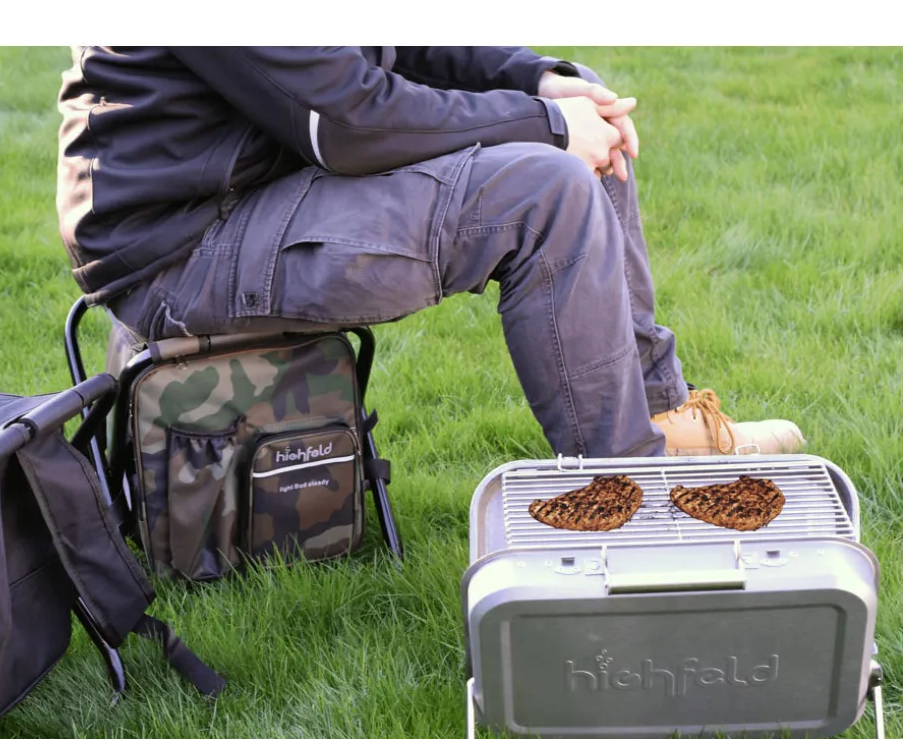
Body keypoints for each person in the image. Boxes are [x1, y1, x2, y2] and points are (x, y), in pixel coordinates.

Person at [56, 47, 804, 459]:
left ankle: (665, 420)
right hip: (186, 248)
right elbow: (343, 123)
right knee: (548, 187)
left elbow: (398, 46)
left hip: (259, 188)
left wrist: (536, 81)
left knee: (580, 123)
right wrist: (543, 125)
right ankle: (627, 483)